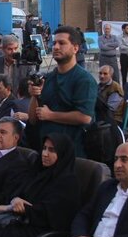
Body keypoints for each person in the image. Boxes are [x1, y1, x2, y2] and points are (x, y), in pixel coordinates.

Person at [28, 26, 97, 157]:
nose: (56, 47)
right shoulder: (48, 78)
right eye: (54, 43)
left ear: (75, 48)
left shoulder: (84, 80)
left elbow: (85, 117)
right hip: (45, 151)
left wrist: (51, 115)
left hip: (70, 153)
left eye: (62, 43)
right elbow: (33, 119)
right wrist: (34, 95)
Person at [0, 34, 31, 99]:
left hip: (18, 102)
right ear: (2, 49)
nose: (13, 52)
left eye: (15, 48)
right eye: (9, 49)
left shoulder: (25, 65)